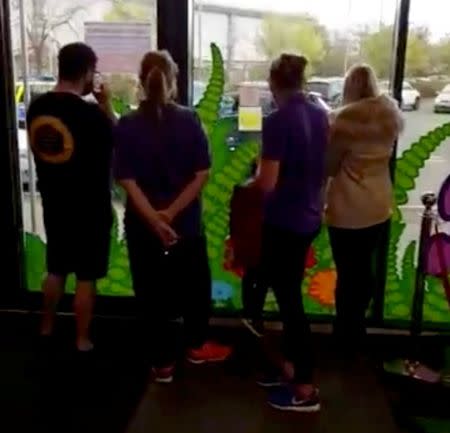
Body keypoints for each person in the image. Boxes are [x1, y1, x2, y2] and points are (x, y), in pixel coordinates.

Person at [113, 50, 231, 384]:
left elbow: (126, 179)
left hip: (142, 227)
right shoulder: (189, 120)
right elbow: (202, 174)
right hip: (186, 225)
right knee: (194, 288)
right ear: (174, 82)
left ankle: (161, 364)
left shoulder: (127, 124)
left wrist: (153, 218)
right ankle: (196, 346)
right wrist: (171, 214)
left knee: (151, 294)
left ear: (141, 81)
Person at [27, 43, 116, 352]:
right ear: (87, 72)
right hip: (90, 208)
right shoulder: (90, 115)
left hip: (54, 202)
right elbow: (117, 143)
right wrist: (107, 107)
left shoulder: (37, 108)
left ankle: (47, 326)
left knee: (56, 268)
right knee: (86, 277)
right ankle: (81, 338)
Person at [253, 53, 329, 412]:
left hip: (283, 222)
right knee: (285, 295)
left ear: (272, 81)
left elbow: (267, 183)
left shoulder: (278, 121)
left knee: (289, 303)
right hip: (309, 218)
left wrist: (248, 183)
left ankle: (304, 387)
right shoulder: (320, 115)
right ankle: (288, 368)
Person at [326, 64, 404, 354]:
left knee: (347, 274)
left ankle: (345, 334)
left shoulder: (344, 123)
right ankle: (358, 328)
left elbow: (330, 165)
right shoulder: (390, 120)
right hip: (379, 204)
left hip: (348, 208)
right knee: (365, 271)